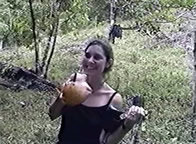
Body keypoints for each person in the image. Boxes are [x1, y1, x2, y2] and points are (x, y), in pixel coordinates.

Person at [49, 37, 145, 144]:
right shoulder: (74, 80)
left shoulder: (112, 98)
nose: (90, 60)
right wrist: (62, 98)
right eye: (87, 55)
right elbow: (53, 114)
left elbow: (106, 141)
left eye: (97, 57)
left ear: (108, 63)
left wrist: (127, 126)